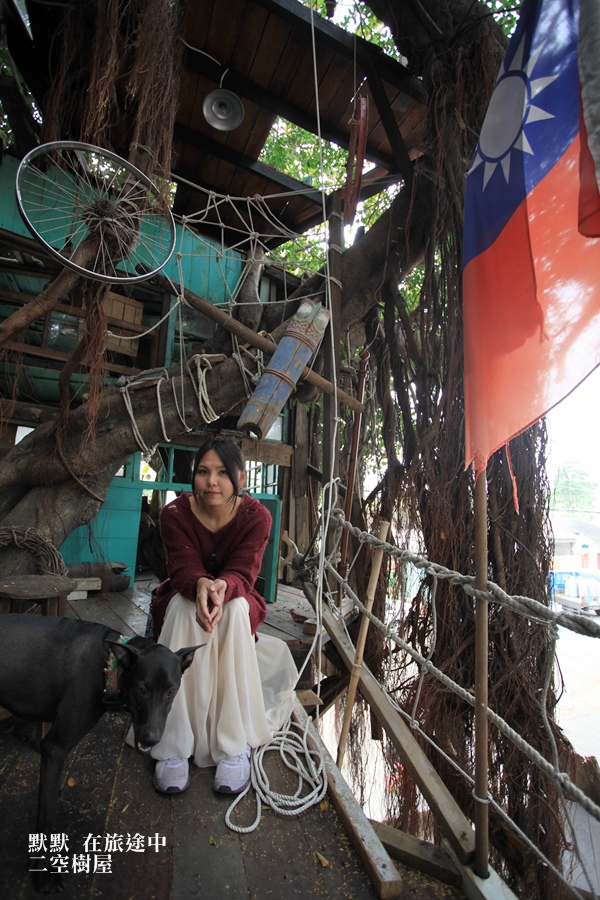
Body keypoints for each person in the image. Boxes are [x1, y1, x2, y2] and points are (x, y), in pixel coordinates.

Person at [135, 437, 298, 796]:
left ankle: (232, 744)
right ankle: (172, 745)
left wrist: (223, 587)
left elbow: (246, 570)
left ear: (240, 476)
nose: (212, 481)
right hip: (185, 591)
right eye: (204, 472)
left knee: (237, 609)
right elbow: (181, 566)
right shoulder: (174, 514)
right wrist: (201, 586)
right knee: (181, 606)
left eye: (223, 473)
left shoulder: (257, 517)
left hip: (237, 596)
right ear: (193, 477)